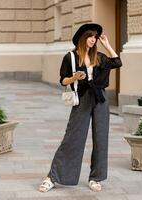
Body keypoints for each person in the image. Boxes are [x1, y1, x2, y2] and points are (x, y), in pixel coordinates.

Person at [39, 23, 122, 192]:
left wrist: (107, 45)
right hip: (82, 98)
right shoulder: (70, 57)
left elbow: (117, 62)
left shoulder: (99, 56)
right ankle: (52, 177)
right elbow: (63, 80)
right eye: (90, 36)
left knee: (101, 138)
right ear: (82, 38)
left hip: (100, 99)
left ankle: (95, 177)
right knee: (73, 137)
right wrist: (74, 77)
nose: (93, 40)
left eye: (95, 37)